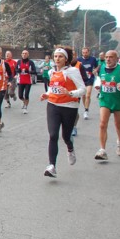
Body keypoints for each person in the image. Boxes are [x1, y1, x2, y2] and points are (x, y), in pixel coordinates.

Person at [39, 47, 86, 178]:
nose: (57, 59)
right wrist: (46, 95)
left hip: (69, 107)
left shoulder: (73, 71)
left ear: (66, 59)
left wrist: (70, 93)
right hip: (53, 105)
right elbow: (52, 88)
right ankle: (51, 166)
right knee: (53, 135)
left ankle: (70, 148)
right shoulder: (51, 72)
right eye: (55, 56)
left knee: (66, 136)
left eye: (60, 56)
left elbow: (83, 90)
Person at [92, 50, 120, 161]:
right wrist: (98, 85)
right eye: (106, 57)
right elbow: (99, 78)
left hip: (119, 100)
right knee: (102, 124)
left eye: (111, 57)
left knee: (117, 124)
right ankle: (102, 150)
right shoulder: (101, 68)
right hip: (105, 100)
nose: (108, 59)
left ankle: (119, 142)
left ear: (116, 59)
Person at [77, 47, 98, 120]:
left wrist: (95, 70)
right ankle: (86, 107)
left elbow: (97, 66)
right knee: (83, 96)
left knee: (88, 95)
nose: (85, 54)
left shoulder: (93, 59)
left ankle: (86, 110)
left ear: (89, 52)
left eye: (86, 52)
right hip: (82, 79)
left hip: (90, 79)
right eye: (83, 53)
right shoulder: (79, 60)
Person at [15, 50, 37, 114]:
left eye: (25, 53)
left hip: (28, 81)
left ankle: (25, 107)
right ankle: (23, 101)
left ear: (28, 55)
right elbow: (15, 70)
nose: (24, 54)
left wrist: (29, 72)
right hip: (21, 80)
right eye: (23, 53)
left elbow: (35, 71)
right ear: (21, 54)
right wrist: (18, 70)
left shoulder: (31, 62)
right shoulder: (19, 62)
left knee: (26, 95)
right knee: (20, 96)